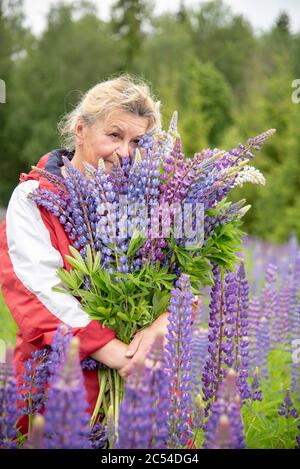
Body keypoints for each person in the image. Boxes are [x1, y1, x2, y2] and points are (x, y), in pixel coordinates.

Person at [0, 74, 170, 433]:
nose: (126, 153)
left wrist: (162, 325)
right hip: (61, 389)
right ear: (81, 129)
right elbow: (36, 292)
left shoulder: (153, 199)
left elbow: (186, 277)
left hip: (145, 388)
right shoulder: (33, 197)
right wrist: (116, 355)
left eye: (137, 141)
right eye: (114, 135)